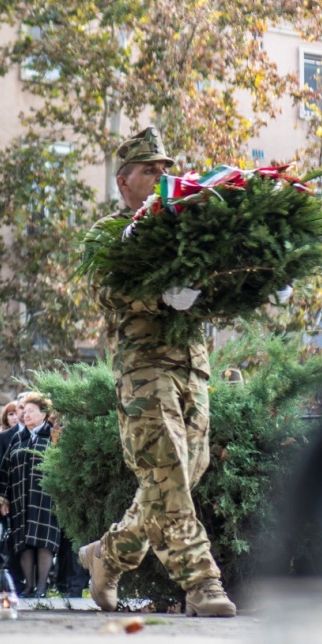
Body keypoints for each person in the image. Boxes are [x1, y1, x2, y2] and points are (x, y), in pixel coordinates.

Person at [78, 127, 237, 618]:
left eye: (166, 168)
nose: (162, 176)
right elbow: (107, 290)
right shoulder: (107, 232)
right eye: (151, 169)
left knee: (185, 472)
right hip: (143, 366)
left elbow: (214, 278)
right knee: (166, 466)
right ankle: (203, 582)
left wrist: (249, 285)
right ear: (124, 180)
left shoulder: (184, 226)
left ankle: (107, 556)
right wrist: (159, 296)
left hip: (192, 365)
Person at [0, 392, 58, 596]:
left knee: (43, 542)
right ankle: (29, 585)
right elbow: (5, 469)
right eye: (25, 411)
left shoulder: (54, 436)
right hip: (20, 499)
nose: (26, 415)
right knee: (23, 543)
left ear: (44, 414)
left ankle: (41, 586)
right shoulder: (18, 437)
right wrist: (3, 498)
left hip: (45, 499)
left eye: (31, 411)